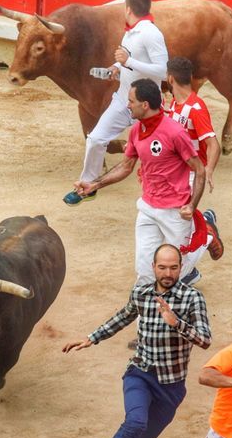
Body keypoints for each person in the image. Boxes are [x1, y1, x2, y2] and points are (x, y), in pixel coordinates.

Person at [63, 243, 211, 438]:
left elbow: (205, 340)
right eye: (162, 267)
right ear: (153, 267)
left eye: (174, 267)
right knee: (135, 424)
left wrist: (177, 323)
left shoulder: (192, 298)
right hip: (140, 373)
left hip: (171, 386)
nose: (168, 273)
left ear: (181, 268)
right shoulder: (142, 292)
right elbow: (123, 317)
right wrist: (91, 338)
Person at [73, 80, 206, 285]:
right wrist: (95, 184)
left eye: (131, 101)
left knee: (177, 269)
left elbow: (199, 169)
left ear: (144, 105)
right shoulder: (136, 131)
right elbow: (126, 166)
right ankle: (146, 311)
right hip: (147, 208)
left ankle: (208, 237)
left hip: (175, 211)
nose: (127, 105)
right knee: (145, 270)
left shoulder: (175, 132)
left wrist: (192, 205)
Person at [64, 0, 168, 206]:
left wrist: (128, 62)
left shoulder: (151, 33)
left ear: (128, 9)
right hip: (125, 98)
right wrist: (116, 67)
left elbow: (162, 71)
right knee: (95, 139)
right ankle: (87, 185)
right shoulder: (131, 33)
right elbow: (129, 61)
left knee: (162, 150)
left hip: (149, 104)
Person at [165, 56, 218, 193]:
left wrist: (208, 171)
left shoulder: (196, 109)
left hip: (191, 174)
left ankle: (207, 216)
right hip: (175, 170)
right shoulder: (174, 103)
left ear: (170, 79)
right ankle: (207, 216)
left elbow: (213, 144)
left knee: (181, 212)